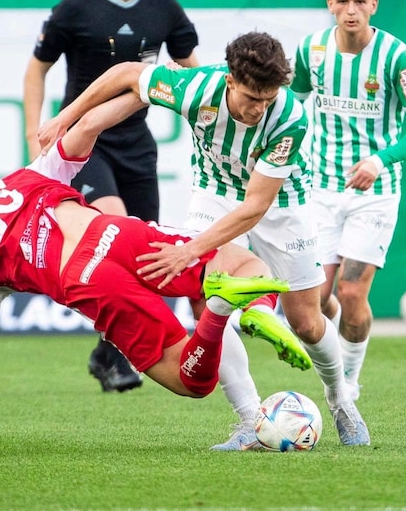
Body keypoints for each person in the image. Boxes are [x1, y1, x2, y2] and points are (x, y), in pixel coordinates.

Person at [38, 31, 371, 449]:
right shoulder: (195, 87)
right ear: (230, 79)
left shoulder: (289, 118)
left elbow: (255, 206)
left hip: (281, 204)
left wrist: (189, 250)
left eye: (267, 98)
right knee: (206, 294)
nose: (259, 108)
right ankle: (251, 420)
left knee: (305, 321)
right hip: (214, 192)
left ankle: (341, 400)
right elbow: (125, 73)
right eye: (252, 97)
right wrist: (65, 116)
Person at [0, 93, 310, 449]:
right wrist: (145, 93)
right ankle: (258, 309)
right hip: (115, 234)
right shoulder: (26, 177)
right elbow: (89, 125)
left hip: (88, 281)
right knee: (245, 263)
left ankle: (217, 312)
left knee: (192, 380)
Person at [23, 0, 200, 392]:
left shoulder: (163, 6)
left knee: (142, 256)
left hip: (138, 145)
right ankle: (117, 356)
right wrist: (34, 132)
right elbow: (37, 69)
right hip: (86, 142)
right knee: (113, 228)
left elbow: (193, 70)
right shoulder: (77, 5)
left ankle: (108, 352)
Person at [289, 0, 406, 401]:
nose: (351, 9)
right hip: (319, 189)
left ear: (374, 3)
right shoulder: (311, 51)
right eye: (343, 1)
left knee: (352, 292)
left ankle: (347, 384)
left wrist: (379, 160)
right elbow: (291, 105)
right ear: (330, 3)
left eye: (360, 1)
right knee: (313, 300)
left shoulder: (396, 57)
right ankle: (334, 342)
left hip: (375, 193)